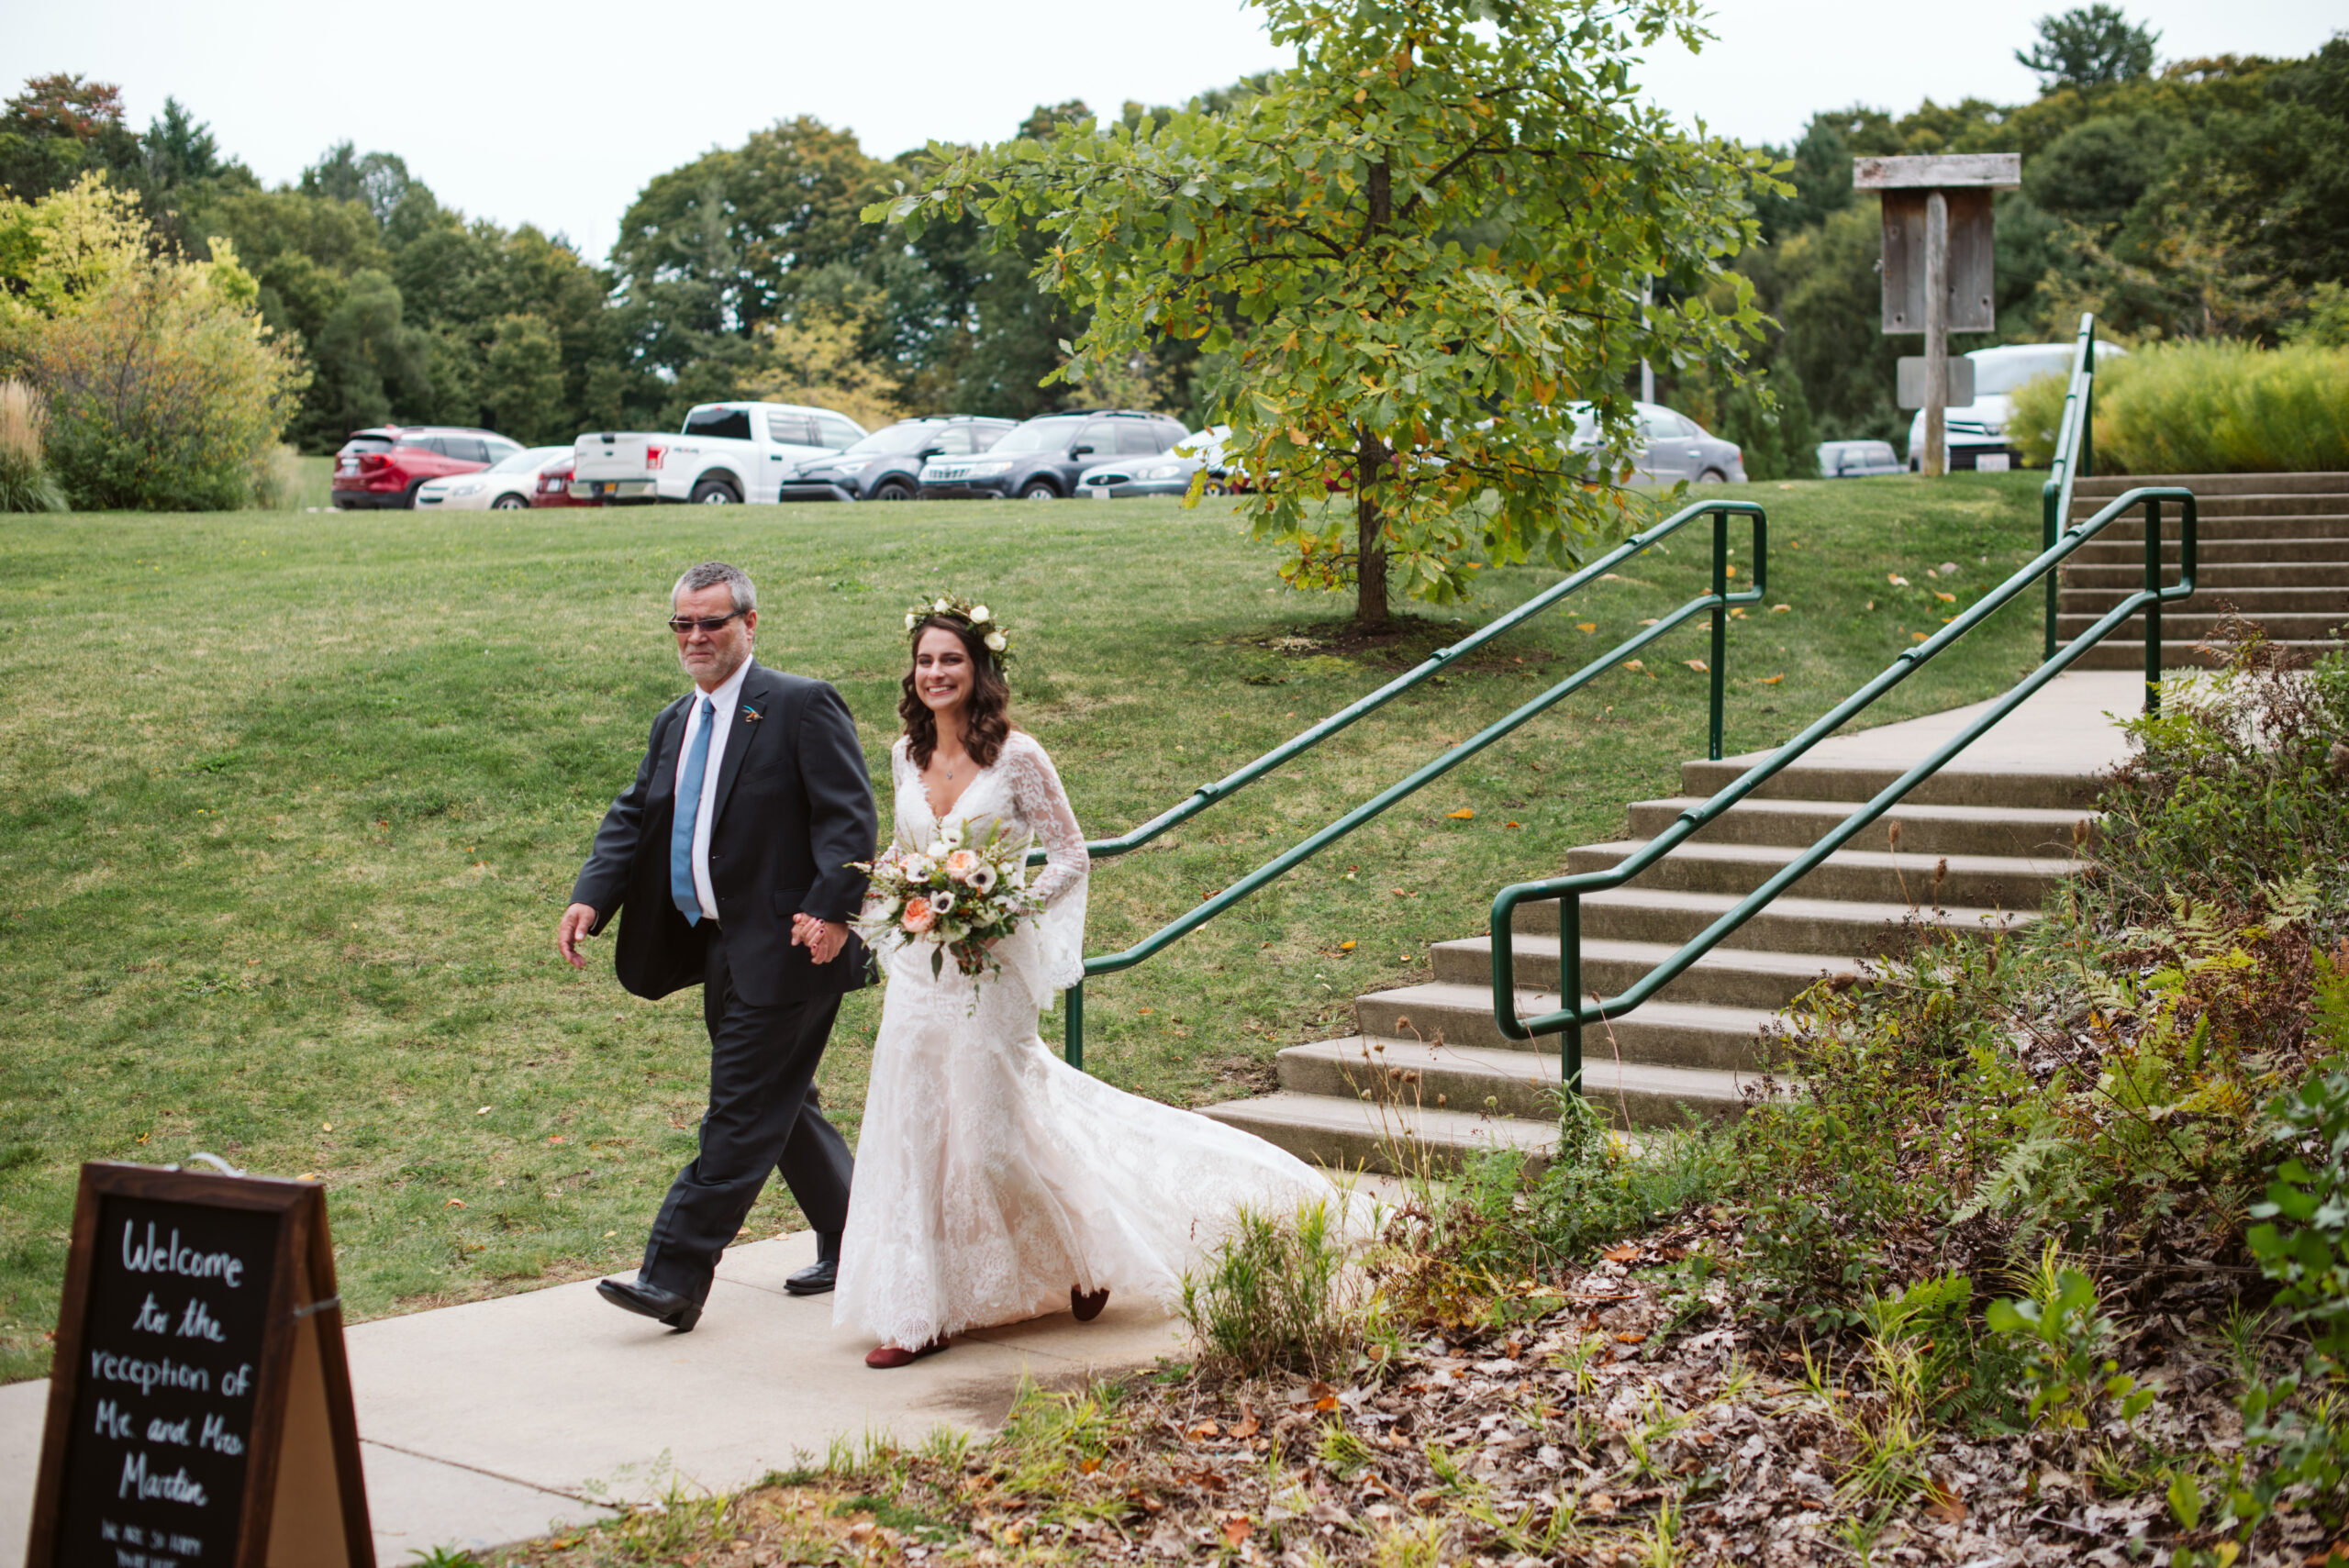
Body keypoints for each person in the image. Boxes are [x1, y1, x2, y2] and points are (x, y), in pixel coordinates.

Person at [835, 595, 1339, 1368]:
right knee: (916, 1130)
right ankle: (919, 1310)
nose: (936, 672)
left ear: (980, 669)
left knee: (993, 1137)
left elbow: (1071, 854)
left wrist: (1003, 910)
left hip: (990, 968)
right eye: (926, 660)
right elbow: (903, 852)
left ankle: (1084, 1251)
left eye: (952, 660)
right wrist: (894, 902)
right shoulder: (904, 753)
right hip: (922, 969)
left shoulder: (1019, 756)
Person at [558, 562, 876, 1331]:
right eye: (683, 624)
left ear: (750, 624)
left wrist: (832, 910)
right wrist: (591, 896)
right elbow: (635, 814)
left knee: (738, 1113)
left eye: (712, 622)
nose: (695, 637)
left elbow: (849, 820)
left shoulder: (799, 705)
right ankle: (862, 1233)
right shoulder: (677, 720)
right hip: (718, 948)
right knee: (780, 1104)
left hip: (797, 949)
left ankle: (672, 1274)